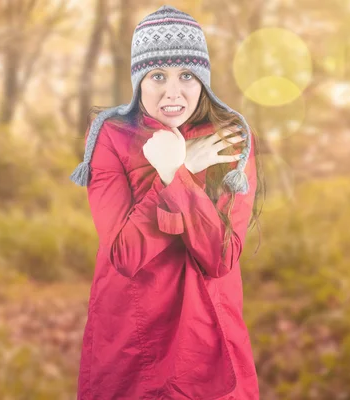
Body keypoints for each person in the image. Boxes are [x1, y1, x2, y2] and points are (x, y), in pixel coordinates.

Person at [70, 5, 266, 399]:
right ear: (138, 80)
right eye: (157, 76)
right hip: (132, 341)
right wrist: (177, 172)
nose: (172, 92)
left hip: (205, 338)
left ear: (204, 80)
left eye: (187, 76)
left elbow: (220, 257)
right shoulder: (110, 136)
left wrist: (173, 174)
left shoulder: (230, 141)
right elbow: (124, 253)